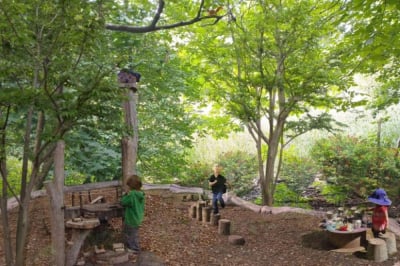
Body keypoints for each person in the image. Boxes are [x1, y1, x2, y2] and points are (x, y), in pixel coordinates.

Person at [121, 174, 145, 253]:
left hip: (131, 219)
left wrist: (125, 195)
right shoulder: (141, 194)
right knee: (134, 234)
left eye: (128, 186)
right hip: (138, 217)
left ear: (131, 186)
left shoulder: (132, 195)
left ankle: (134, 249)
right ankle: (133, 247)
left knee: (130, 234)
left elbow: (123, 202)